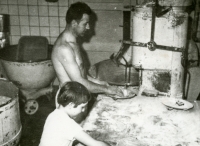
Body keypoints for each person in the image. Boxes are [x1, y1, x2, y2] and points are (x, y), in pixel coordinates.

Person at [51, 1, 123, 107]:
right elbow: (79, 82)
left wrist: (99, 82)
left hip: (78, 99)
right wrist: (107, 89)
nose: (88, 27)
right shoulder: (64, 48)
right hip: (69, 104)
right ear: (74, 23)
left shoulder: (73, 43)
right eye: (85, 24)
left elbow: (80, 74)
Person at [39, 81, 110, 146]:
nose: (83, 110)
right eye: (82, 107)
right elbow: (95, 144)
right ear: (71, 105)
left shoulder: (54, 114)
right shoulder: (68, 124)